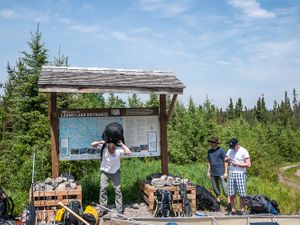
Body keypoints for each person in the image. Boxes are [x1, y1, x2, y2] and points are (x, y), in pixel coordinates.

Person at [91, 140, 131, 216]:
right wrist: (100, 142)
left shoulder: (118, 150)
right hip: (105, 172)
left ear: (114, 149)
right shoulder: (104, 148)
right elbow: (92, 144)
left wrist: (122, 144)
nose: (110, 153)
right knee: (103, 189)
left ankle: (119, 210)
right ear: (108, 149)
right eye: (109, 151)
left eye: (112, 151)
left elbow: (129, 152)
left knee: (118, 190)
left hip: (115, 172)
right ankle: (103, 209)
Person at [225, 138, 251, 215]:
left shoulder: (244, 151)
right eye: (231, 147)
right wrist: (227, 159)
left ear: (237, 144)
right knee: (232, 193)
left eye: (233, 146)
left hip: (241, 174)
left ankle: (242, 210)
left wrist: (238, 164)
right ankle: (233, 210)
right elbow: (225, 160)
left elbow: (249, 164)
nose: (232, 148)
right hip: (231, 173)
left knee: (242, 194)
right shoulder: (230, 150)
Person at [207, 137, 230, 211]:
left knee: (225, 189)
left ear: (216, 143)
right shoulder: (209, 151)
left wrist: (226, 172)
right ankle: (218, 205)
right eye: (210, 142)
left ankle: (229, 204)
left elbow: (226, 162)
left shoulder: (222, 151)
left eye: (212, 142)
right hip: (213, 173)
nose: (211, 144)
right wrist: (208, 171)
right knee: (216, 189)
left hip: (221, 172)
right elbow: (209, 162)